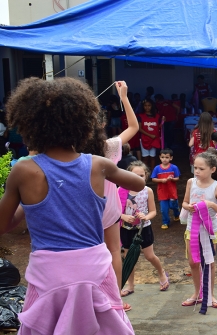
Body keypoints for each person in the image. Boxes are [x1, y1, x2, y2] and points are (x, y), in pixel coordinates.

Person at [0, 77, 144, 334]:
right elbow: (138, 184)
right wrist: (110, 168)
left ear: (29, 125)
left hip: (49, 274)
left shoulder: (23, 170)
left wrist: (31, 205)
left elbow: (4, 224)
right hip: (94, 270)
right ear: (83, 123)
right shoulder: (98, 165)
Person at [82, 81, 140, 313]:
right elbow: (134, 127)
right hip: (109, 209)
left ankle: (90, 298)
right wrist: (124, 97)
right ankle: (114, 300)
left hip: (82, 210)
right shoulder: (108, 148)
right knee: (114, 251)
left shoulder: (70, 150)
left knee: (87, 252)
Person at [181, 151, 217, 308]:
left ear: (212, 169)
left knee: (209, 262)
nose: (197, 171)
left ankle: (210, 294)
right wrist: (188, 207)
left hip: (210, 230)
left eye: (201, 168)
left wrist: (212, 205)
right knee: (193, 262)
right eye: (195, 168)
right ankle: (197, 292)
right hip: (192, 227)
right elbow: (185, 202)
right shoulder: (190, 182)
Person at [119, 161, 169, 297]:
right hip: (126, 229)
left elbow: (153, 212)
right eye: (135, 175)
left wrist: (145, 217)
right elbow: (115, 211)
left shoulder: (148, 191)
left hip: (143, 229)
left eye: (142, 175)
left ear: (146, 176)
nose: (139, 178)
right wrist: (123, 216)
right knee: (129, 258)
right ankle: (130, 286)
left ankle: (162, 274)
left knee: (149, 256)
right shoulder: (121, 190)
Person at [151, 148, 180, 229]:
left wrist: (172, 179)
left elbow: (177, 178)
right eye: (163, 157)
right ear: (160, 157)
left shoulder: (174, 168)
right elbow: (153, 179)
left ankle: (176, 214)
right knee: (164, 209)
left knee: (174, 205)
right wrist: (161, 180)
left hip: (172, 191)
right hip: (162, 192)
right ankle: (165, 222)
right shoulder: (157, 168)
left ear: (171, 158)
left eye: (167, 157)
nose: (164, 159)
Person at [138, 98, 162, 171]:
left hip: (154, 139)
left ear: (152, 106)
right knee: (145, 157)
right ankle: (144, 172)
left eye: (149, 105)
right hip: (144, 139)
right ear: (143, 106)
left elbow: (159, 127)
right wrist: (149, 135)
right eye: (145, 105)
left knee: (153, 157)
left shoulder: (157, 116)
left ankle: (152, 173)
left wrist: (163, 121)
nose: (147, 107)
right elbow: (139, 129)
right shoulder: (140, 116)